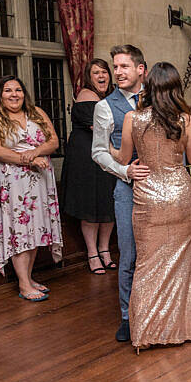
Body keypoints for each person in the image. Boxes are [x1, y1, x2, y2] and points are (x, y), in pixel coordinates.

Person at [108, 62, 191, 351]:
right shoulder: (185, 120)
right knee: (182, 264)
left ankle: (148, 333)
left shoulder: (133, 118)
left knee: (146, 265)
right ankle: (184, 329)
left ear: (148, 86)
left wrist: (106, 145)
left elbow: (123, 158)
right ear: (175, 88)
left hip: (148, 199)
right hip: (180, 196)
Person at [0, 76, 63, 301]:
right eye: (8, 90)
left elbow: (53, 141)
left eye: (18, 90)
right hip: (10, 185)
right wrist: (30, 160)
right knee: (19, 231)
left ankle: (29, 276)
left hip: (38, 183)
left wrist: (35, 153)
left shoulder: (36, 112)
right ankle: (24, 284)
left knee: (34, 229)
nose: (14, 94)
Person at [92, 44, 148, 343]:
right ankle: (127, 317)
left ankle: (156, 311)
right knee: (129, 254)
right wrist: (124, 172)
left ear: (141, 69)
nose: (117, 72)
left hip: (159, 190)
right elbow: (99, 152)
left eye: (124, 66)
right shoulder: (105, 106)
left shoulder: (158, 101)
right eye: (115, 67)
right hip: (127, 189)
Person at [61, 58, 117, 275]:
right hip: (87, 159)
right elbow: (102, 129)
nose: (101, 76)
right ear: (88, 77)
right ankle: (92, 253)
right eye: (96, 73)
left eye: (104, 72)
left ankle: (105, 250)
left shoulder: (110, 97)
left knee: (108, 205)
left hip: (107, 157)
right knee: (91, 207)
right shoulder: (86, 96)